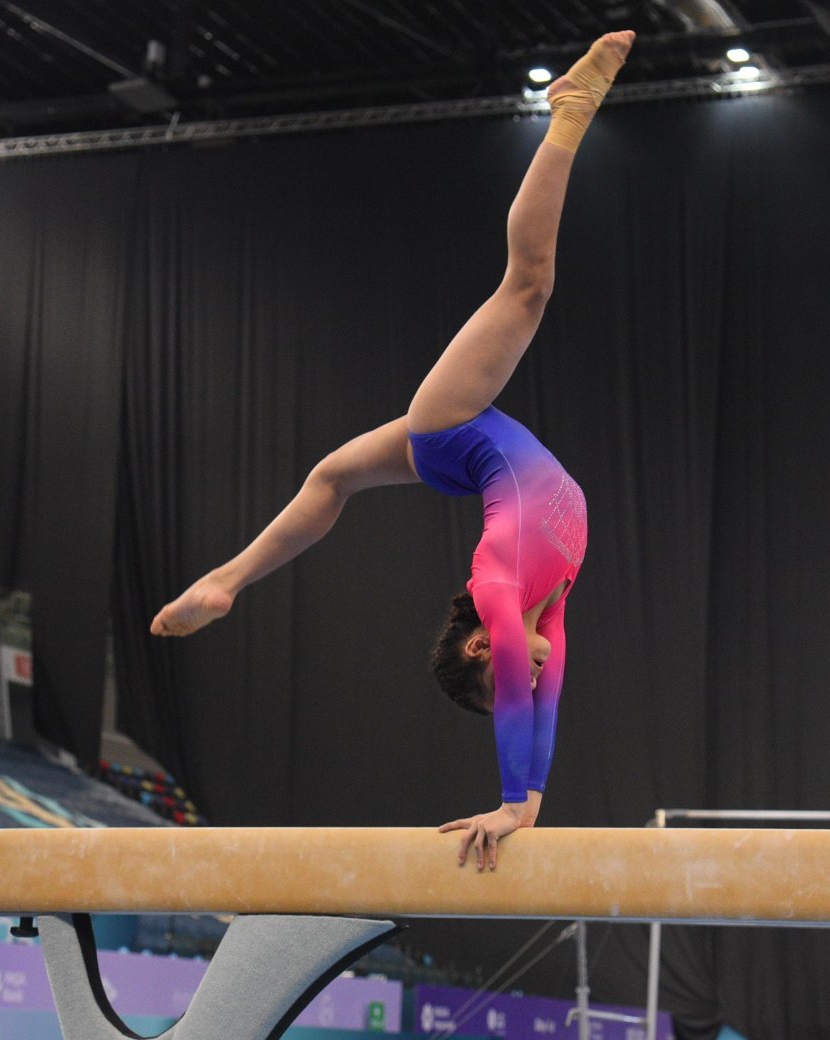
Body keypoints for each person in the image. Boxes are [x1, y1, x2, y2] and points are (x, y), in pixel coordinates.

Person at [151, 30, 637, 870]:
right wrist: (534, 808)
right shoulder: (546, 607)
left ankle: (568, 111)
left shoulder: (499, 593)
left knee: (527, 285)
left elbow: (525, 696)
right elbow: (544, 702)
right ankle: (227, 581)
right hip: (463, 457)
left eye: (503, 678)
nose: (529, 676)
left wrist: (512, 803)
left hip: (450, 426)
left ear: (482, 647)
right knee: (332, 477)